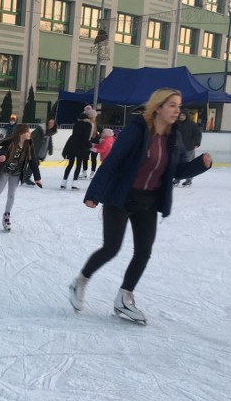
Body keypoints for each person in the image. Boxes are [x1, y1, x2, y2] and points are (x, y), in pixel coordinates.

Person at [68, 88, 213, 325]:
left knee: (144, 251)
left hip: (148, 201)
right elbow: (113, 162)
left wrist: (201, 165)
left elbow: (175, 171)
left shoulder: (173, 137)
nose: (178, 110)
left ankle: (124, 298)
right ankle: (80, 282)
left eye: (179, 106)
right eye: (172, 105)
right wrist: (94, 193)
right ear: (158, 107)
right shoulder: (136, 131)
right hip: (121, 197)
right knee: (111, 248)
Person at [0, 124, 42, 231]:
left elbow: (33, 161)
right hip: (5, 172)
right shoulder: (12, 143)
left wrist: (37, 177)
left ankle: (6, 217)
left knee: (12, 195)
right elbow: (3, 150)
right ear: (21, 133)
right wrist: (3, 156)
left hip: (16, 173)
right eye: (27, 131)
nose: (30, 133)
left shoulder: (29, 145)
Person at [61, 110, 94, 190]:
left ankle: (63, 182)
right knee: (78, 164)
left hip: (72, 143)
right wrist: (90, 145)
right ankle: (74, 183)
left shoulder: (76, 123)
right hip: (81, 145)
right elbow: (85, 137)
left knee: (70, 164)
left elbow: (75, 134)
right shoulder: (88, 125)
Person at [173, 109, 202, 187]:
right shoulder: (176, 124)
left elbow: (198, 134)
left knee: (189, 165)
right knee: (177, 164)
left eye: (183, 115)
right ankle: (177, 179)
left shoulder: (192, 124)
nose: (182, 117)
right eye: (181, 115)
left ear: (187, 116)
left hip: (189, 147)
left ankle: (188, 180)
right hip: (178, 148)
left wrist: (196, 143)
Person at [24, 117, 56, 186]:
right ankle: (26, 177)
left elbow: (49, 141)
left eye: (52, 123)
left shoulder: (49, 131)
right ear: (47, 122)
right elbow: (32, 135)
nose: (51, 124)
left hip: (41, 151)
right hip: (35, 149)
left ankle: (25, 176)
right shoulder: (40, 129)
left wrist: (50, 150)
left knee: (35, 164)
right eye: (50, 123)